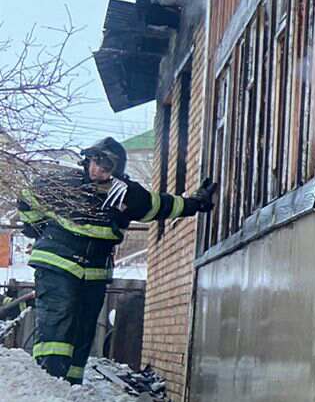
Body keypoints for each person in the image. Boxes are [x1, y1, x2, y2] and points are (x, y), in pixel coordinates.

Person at [18, 137, 215, 384]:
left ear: (116, 169)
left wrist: (195, 203)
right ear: (87, 160)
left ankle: (70, 387)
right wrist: (37, 228)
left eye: (105, 166)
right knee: (59, 317)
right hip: (57, 264)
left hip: (94, 272)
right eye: (95, 162)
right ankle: (50, 383)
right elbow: (26, 198)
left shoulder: (127, 194)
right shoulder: (63, 184)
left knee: (84, 327)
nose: (97, 170)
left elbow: (158, 205)